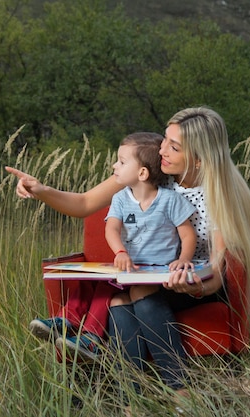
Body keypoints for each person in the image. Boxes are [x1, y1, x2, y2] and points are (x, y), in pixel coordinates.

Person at [6, 107, 250, 397]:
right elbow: (84, 203)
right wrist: (41, 190)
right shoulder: (154, 173)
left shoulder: (219, 198)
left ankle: (174, 389)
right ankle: (133, 396)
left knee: (139, 295)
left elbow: (217, 276)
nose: (162, 149)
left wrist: (192, 287)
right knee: (117, 299)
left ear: (199, 159)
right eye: (165, 139)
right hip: (152, 276)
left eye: (173, 147)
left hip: (196, 284)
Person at [29, 132, 198, 362]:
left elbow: (188, 235)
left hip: (156, 272)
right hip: (129, 267)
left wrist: (184, 259)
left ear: (142, 173)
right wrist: (120, 252)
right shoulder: (120, 198)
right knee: (97, 282)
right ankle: (66, 321)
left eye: (121, 161)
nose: (114, 165)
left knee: (108, 289)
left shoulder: (170, 200)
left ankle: (90, 337)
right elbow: (112, 229)